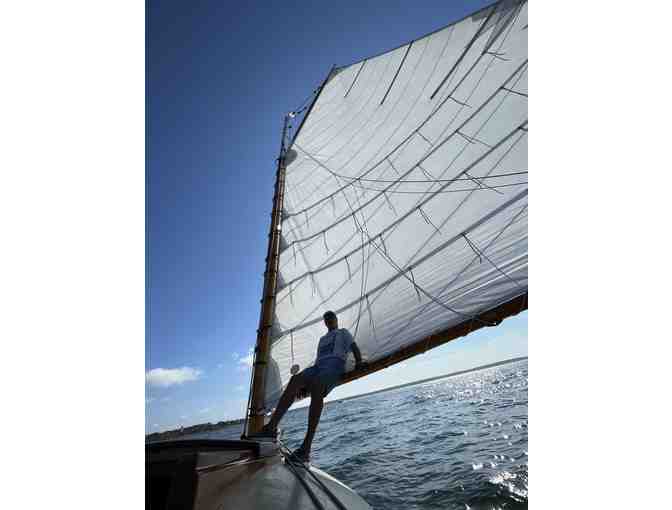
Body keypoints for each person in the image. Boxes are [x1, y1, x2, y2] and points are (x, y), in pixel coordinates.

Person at [251, 310, 366, 462]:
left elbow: (354, 347)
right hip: (318, 367)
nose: (329, 320)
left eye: (331, 318)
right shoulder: (322, 339)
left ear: (336, 319)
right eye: (326, 319)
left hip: (334, 365)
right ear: (325, 323)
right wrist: (304, 385)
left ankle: (306, 449)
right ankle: (271, 428)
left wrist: (359, 362)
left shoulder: (343, 333)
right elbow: (318, 360)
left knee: (318, 386)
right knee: (295, 380)